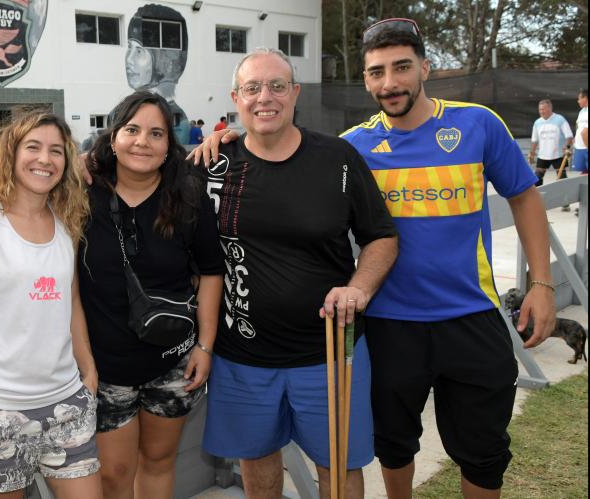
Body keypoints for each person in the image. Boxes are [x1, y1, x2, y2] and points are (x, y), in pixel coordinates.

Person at [343, 19, 555, 498]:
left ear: (425, 68)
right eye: (376, 72)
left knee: (483, 453)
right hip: (389, 326)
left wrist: (541, 285)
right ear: (366, 79)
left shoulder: (477, 124)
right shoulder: (353, 146)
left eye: (401, 67)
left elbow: (524, 196)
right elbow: (291, 164)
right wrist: (229, 143)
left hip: (471, 318)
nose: (389, 82)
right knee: (393, 444)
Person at [195, 48, 398, 499]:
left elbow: (382, 236)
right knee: (256, 459)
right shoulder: (214, 164)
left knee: (338, 466)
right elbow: (139, 172)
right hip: (242, 355)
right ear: (236, 97)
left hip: (329, 350)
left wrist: (359, 288)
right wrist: (92, 163)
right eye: (252, 88)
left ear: (295, 93)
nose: (264, 97)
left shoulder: (338, 157)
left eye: (277, 86)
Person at [0, 108, 101, 498]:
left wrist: (89, 371)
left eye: (56, 150)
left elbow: (71, 302)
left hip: (67, 404)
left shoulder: (66, 221)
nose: (44, 159)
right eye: (33, 147)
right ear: (11, 153)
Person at [81, 91, 223, 499]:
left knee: (159, 461)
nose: (143, 141)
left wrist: (205, 346)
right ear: (113, 138)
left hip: (172, 362)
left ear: (168, 145)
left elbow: (212, 272)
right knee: (114, 475)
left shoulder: (188, 196)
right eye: (132, 130)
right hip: (105, 367)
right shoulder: (83, 194)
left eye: (156, 133)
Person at [123, 4, 191, 143]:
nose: (129, 59)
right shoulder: (125, 110)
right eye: (130, 47)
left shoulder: (177, 120)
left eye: (139, 51)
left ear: (163, 59)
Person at [528, 99, 573, 187]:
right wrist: (532, 153)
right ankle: (538, 193)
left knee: (562, 179)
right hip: (543, 155)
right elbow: (534, 140)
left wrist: (567, 147)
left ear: (549, 108)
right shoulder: (537, 122)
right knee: (537, 178)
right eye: (540, 109)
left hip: (558, 155)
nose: (541, 112)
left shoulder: (560, 119)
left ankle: (564, 194)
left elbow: (569, 136)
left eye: (543, 109)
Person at [574, 88, 588, 174]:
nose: (578, 101)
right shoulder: (582, 111)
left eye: (579, 99)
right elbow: (578, 126)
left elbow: (585, 132)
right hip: (579, 147)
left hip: (586, 148)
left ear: (585, 98)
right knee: (583, 173)